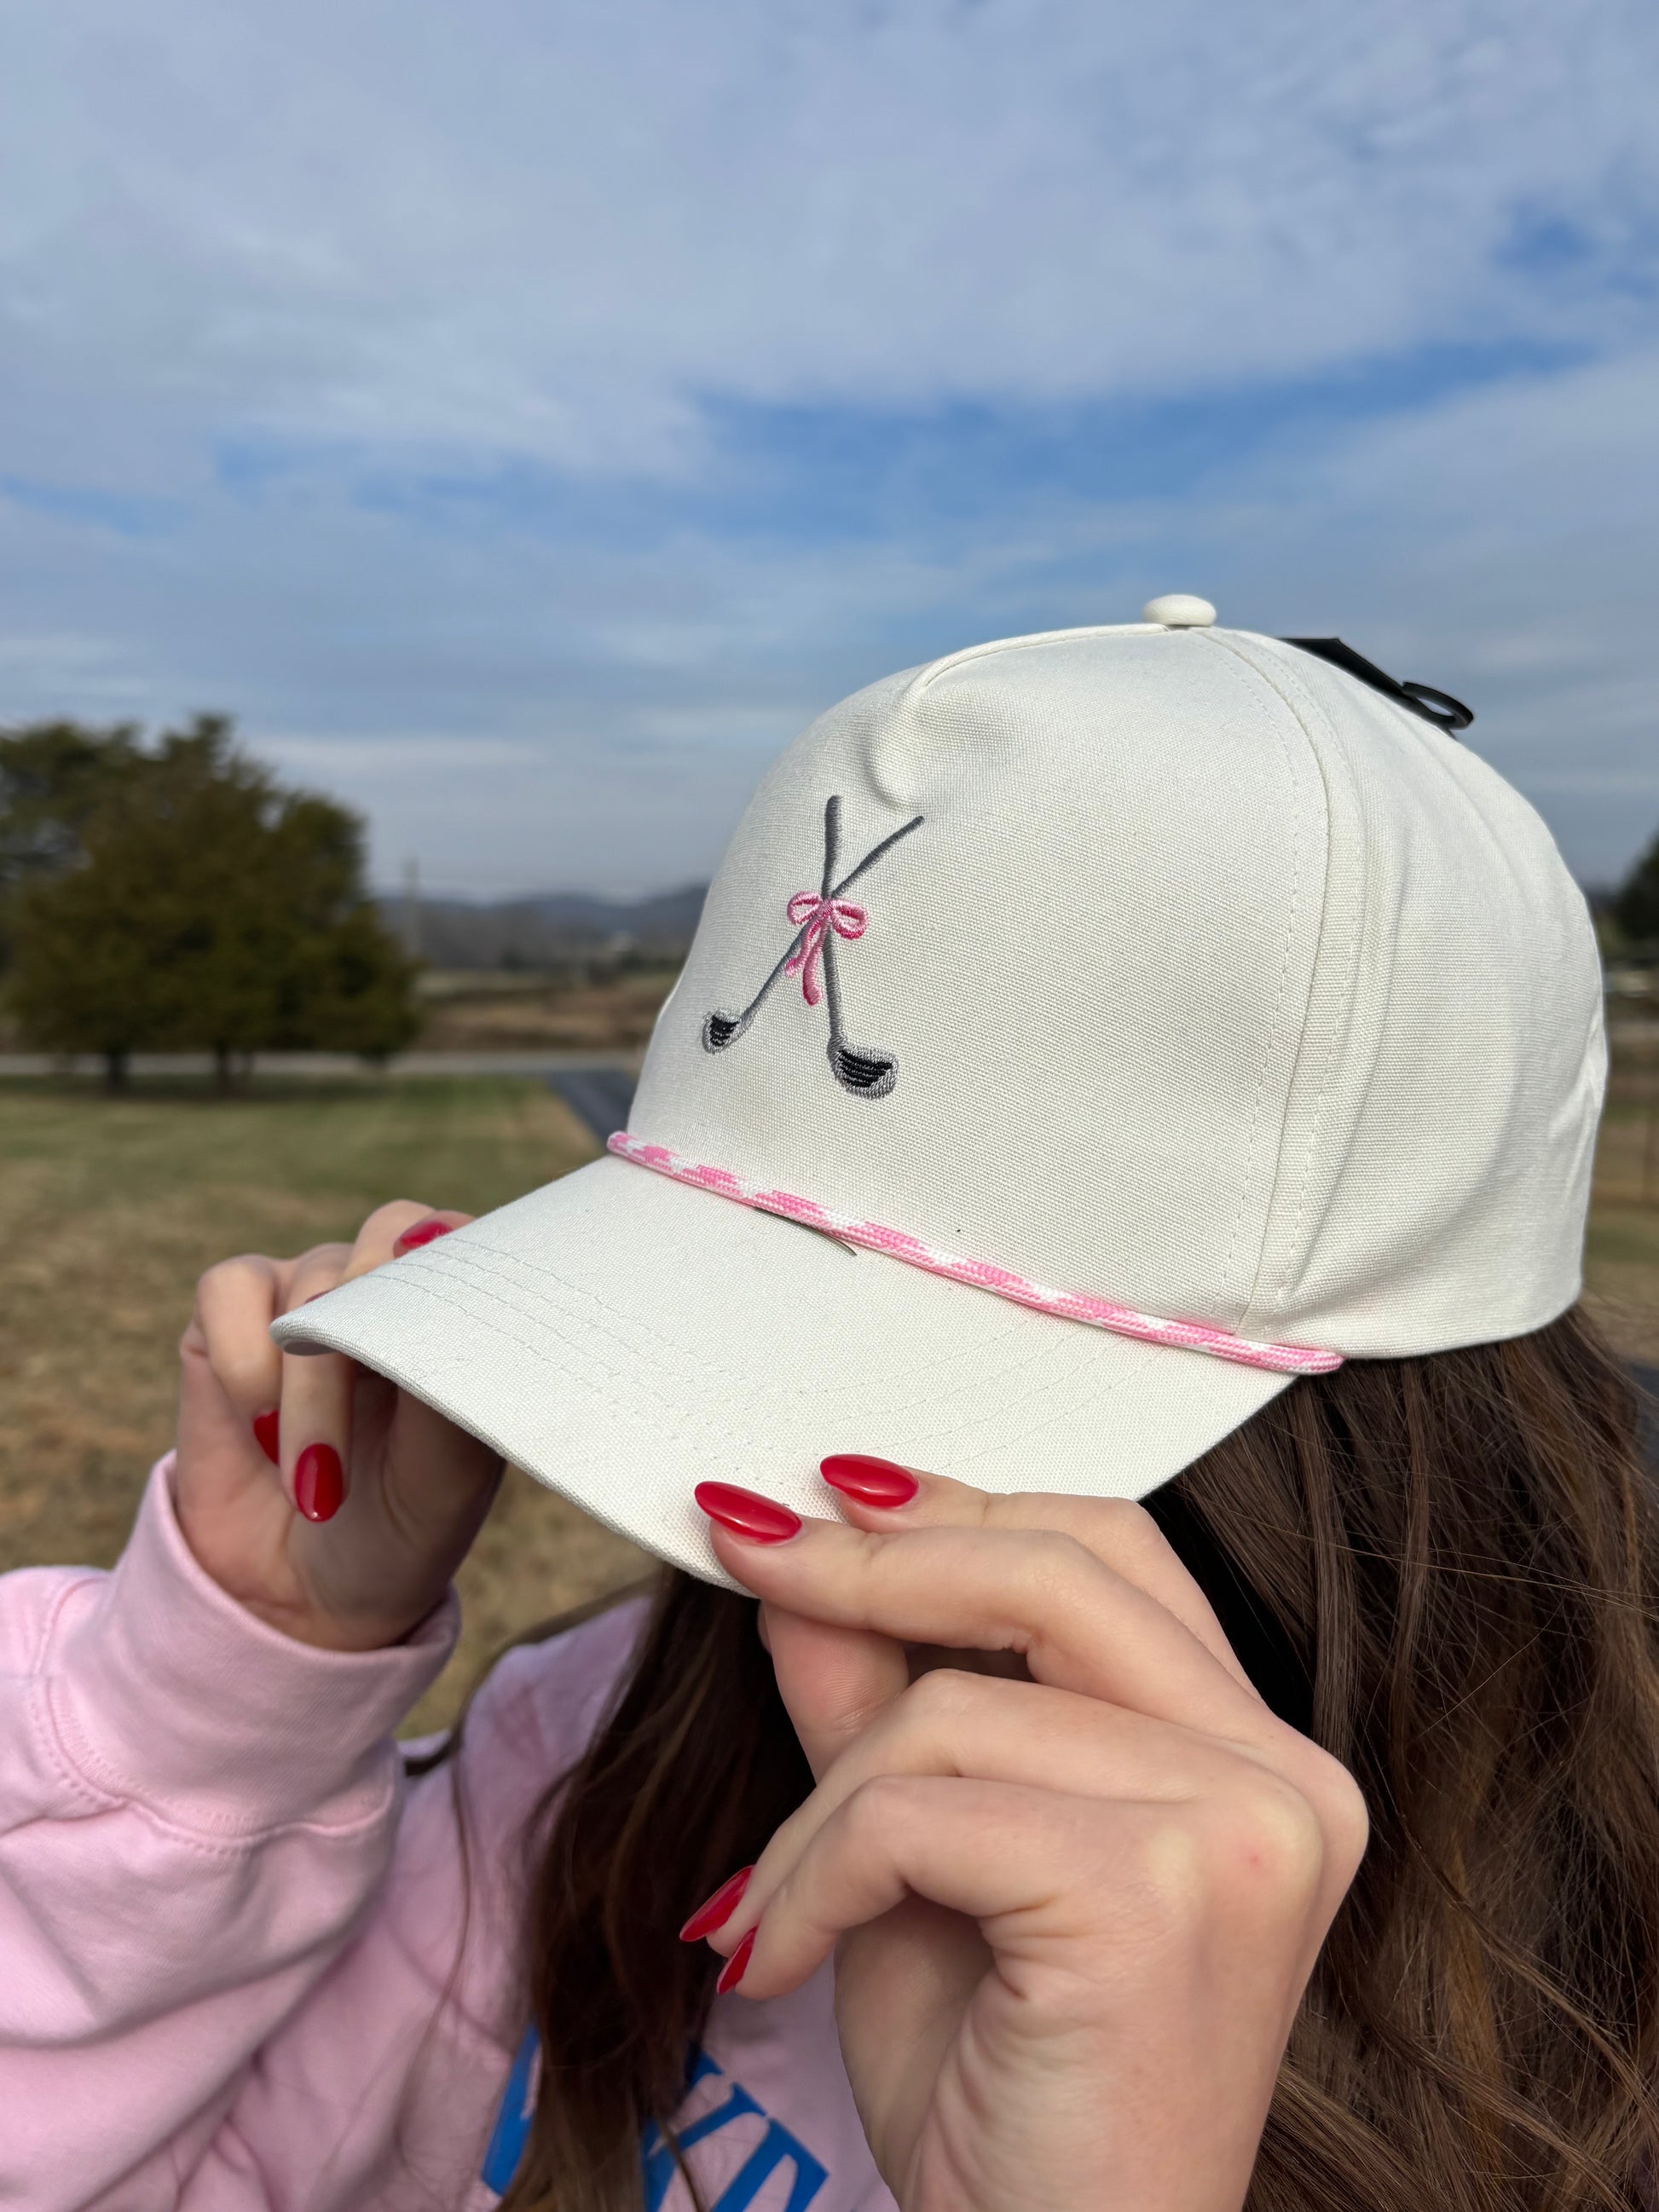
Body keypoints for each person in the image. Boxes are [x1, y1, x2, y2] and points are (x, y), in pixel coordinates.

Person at [3, 601, 1655, 2212]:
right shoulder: (610, 1743)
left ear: (1373, 1463)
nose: (778, 1553)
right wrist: (219, 1702)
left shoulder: (1587, 2074)